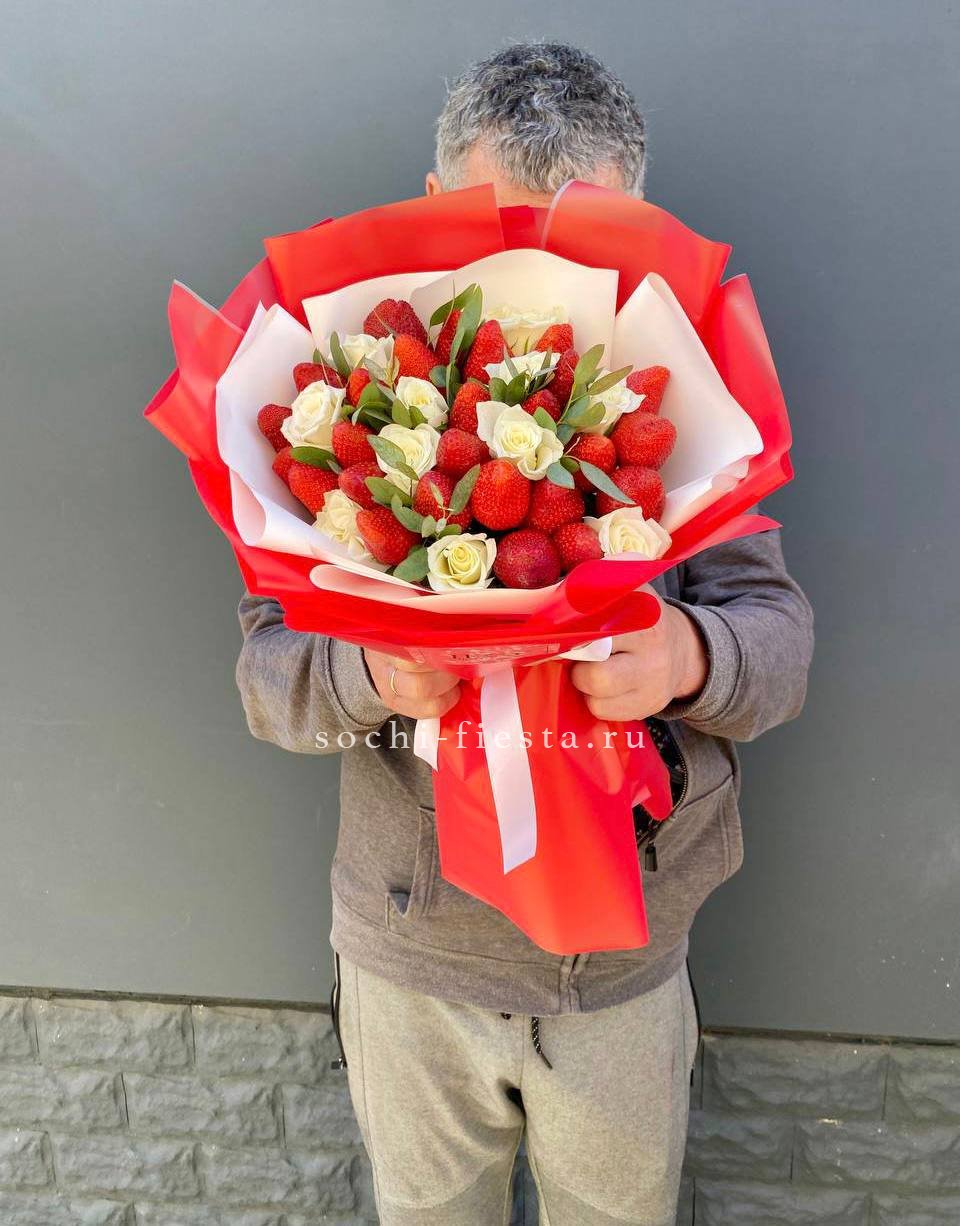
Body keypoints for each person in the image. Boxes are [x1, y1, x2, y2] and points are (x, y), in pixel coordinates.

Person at [235, 41, 814, 1226]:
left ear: (641, 216)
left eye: (583, 235)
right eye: (503, 230)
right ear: (432, 207)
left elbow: (781, 640)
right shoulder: (354, 395)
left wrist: (688, 656)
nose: (539, 268)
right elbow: (266, 677)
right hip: (412, 959)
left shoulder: (686, 391)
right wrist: (368, 668)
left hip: (623, 965)